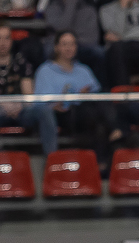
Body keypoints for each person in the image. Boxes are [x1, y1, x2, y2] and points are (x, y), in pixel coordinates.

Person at [0, 23, 57, 158]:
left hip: (21, 110)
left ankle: (53, 160)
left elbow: (28, 95)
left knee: (45, 111)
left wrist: (18, 105)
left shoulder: (22, 64)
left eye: (7, 38)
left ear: (11, 41)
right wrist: (3, 104)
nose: (3, 42)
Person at [34, 30, 117, 165]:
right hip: (62, 114)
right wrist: (61, 101)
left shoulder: (83, 70)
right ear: (56, 47)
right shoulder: (45, 71)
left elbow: (96, 94)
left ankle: (101, 162)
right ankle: (116, 131)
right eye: (64, 44)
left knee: (100, 108)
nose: (69, 48)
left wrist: (84, 95)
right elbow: (39, 104)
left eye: (72, 44)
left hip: (88, 113)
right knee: (91, 113)